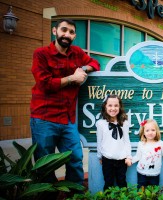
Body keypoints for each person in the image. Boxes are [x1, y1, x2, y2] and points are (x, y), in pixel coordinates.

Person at [30, 18, 100, 186]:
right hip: (44, 118)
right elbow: (45, 83)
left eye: (71, 32)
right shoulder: (41, 53)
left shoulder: (76, 53)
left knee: (75, 157)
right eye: (64, 30)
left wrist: (83, 69)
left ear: (74, 36)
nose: (66, 34)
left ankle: (74, 194)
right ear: (55, 31)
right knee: (45, 163)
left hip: (68, 118)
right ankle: (47, 195)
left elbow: (95, 63)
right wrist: (72, 78)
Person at [96, 95, 132, 191]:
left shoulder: (124, 123)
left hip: (122, 159)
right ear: (105, 107)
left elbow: (126, 140)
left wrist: (129, 156)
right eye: (110, 105)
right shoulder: (101, 124)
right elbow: (99, 141)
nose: (113, 108)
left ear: (120, 107)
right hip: (107, 159)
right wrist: (100, 156)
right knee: (108, 183)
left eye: (116, 105)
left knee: (122, 182)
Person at [129, 119, 163, 189]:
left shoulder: (161, 144)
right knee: (141, 191)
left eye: (153, 130)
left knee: (153, 192)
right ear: (143, 132)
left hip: (155, 174)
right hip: (142, 173)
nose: (150, 133)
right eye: (147, 130)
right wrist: (130, 161)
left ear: (156, 131)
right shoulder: (141, 144)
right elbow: (138, 156)